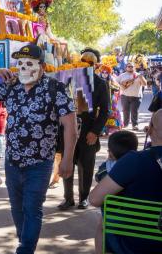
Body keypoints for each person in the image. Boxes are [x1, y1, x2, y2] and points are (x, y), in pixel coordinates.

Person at [0, 43, 78, 254]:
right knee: (17, 209)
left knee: (33, 209)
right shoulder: (11, 87)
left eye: (29, 63)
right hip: (12, 161)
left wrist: (67, 160)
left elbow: (71, 128)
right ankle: (25, 245)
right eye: (19, 63)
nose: (23, 68)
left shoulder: (57, 89)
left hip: (40, 163)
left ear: (41, 66)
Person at [89, 110, 162, 254]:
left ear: (150, 130)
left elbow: (94, 199)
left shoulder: (134, 161)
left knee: (102, 226)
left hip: (130, 245)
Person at [59, 48, 109, 210]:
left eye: (90, 63)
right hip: (68, 129)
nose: (86, 65)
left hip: (88, 129)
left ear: (95, 66)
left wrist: (95, 131)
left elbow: (105, 111)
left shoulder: (101, 83)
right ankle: (68, 198)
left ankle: (84, 198)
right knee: (68, 162)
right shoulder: (69, 79)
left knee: (86, 165)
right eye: (84, 62)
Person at [117, 62, 147, 131]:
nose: (130, 67)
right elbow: (116, 83)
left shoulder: (139, 75)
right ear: (126, 68)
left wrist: (141, 78)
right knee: (125, 111)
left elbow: (145, 84)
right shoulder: (122, 75)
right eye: (129, 66)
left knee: (134, 111)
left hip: (136, 97)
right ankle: (125, 124)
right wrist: (122, 86)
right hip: (125, 96)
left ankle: (135, 125)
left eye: (132, 66)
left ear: (134, 67)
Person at [99, 65, 123, 134]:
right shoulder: (97, 80)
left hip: (110, 102)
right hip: (100, 102)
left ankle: (109, 130)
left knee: (111, 115)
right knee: (100, 115)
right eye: (103, 72)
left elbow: (117, 88)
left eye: (106, 72)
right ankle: (101, 130)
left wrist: (111, 86)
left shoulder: (111, 80)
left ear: (108, 73)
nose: (104, 74)